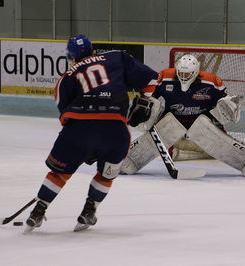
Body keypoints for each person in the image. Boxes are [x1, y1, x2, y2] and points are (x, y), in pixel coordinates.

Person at [25, 34, 158, 233]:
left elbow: (64, 116)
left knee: (59, 173)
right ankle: (89, 210)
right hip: (115, 130)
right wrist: (144, 99)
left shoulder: (67, 77)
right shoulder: (117, 57)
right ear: (92, 49)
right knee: (106, 175)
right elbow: (151, 80)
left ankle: (38, 211)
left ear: (71, 57)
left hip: (79, 129)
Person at [120, 54, 245, 177]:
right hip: (173, 119)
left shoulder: (211, 82)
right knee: (166, 128)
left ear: (195, 72)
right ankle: (127, 162)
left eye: (186, 74)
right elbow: (149, 96)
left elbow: (224, 103)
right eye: (180, 73)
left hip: (203, 121)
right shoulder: (164, 77)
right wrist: (145, 104)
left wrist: (228, 107)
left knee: (218, 141)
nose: (183, 77)